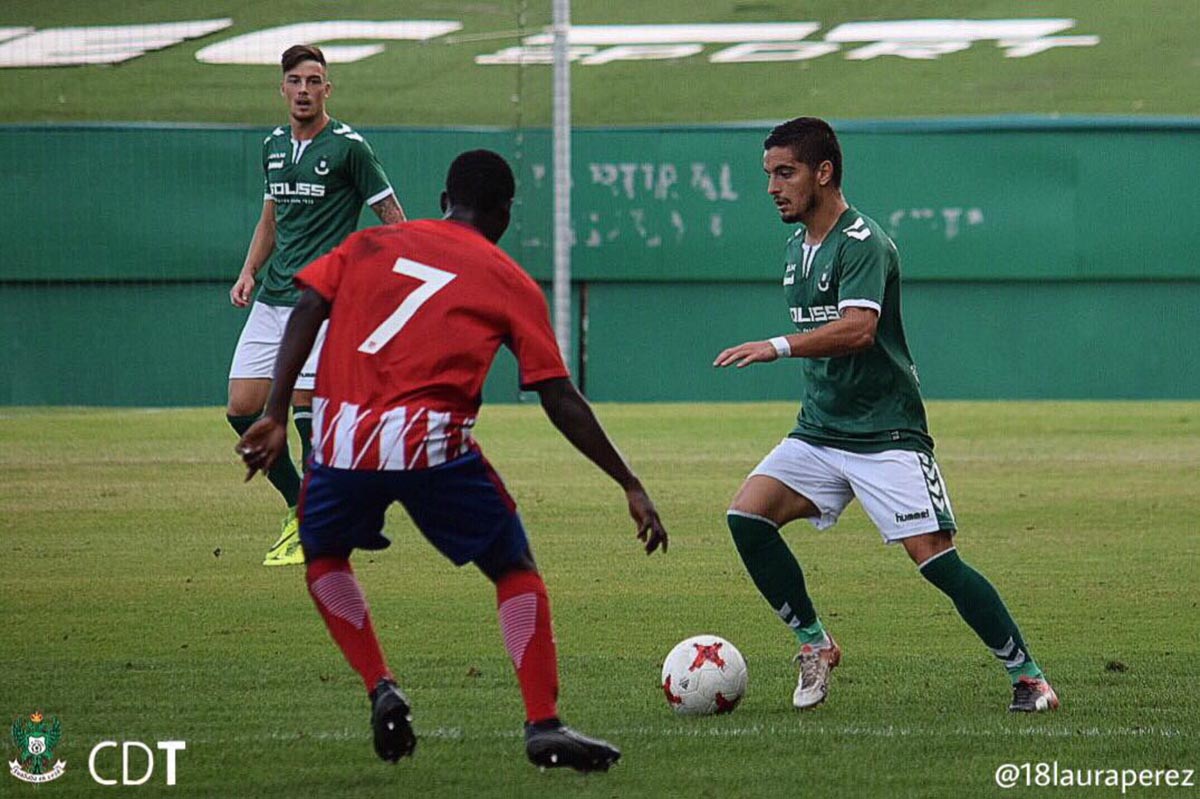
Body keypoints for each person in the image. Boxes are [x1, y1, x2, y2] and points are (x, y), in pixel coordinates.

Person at [236, 150, 668, 770]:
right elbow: (557, 395)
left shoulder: (368, 245)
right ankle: (542, 722)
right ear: (503, 214)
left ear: (443, 200)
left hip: (341, 439)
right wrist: (628, 481)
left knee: (325, 557)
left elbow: (306, 305)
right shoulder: (507, 278)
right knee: (513, 567)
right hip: (431, 442)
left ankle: (381, 684)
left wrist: (276, 413)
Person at [714, 117, 1058, 713]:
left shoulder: (863, 242)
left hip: (886, 434)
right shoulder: (797, 249)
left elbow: (858, 330)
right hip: (820, 430)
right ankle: (815, 645)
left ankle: (1029, 678)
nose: (772, 186)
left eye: (785, 172)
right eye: (768, 174)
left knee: (937, 560)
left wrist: (778, 345)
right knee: (747, 517)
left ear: (824, 172)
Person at [227, 44, 407, 567]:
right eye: (295, 81)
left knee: (305, 406)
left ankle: (318, 524)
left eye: (314, 81)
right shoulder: (274, 145)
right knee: (242, 409)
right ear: (282, 88)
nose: (304, 90)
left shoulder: (350, 148)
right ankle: (300, 506)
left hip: (325, 300)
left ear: (327, 89)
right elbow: (272, 218)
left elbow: (393, 216)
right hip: (273, 296)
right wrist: (248, 271)